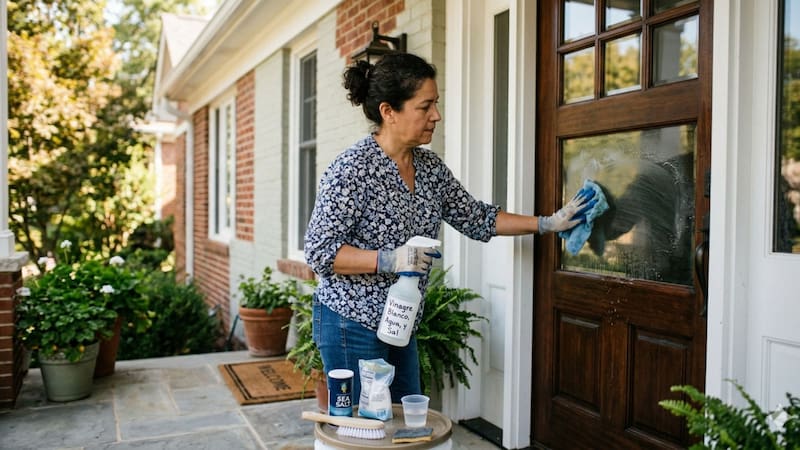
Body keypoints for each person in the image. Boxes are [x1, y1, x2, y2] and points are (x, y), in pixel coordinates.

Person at [304, 52, 592, 405]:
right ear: (388, 112)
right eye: (425, 107)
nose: (436, 116)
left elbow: (477, 217)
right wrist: (390, 260)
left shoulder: (429, 169)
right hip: (351, 322)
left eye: (435, 105)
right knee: (366, 430)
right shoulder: (351, 169)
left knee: (405, 421)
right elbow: (320, 252)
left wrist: (548, 222)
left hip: (399, 320)